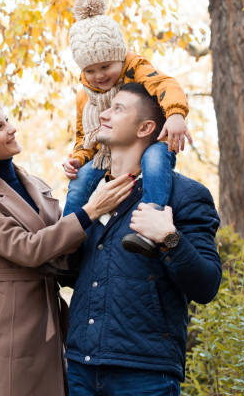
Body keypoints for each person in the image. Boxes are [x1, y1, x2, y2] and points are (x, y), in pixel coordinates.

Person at [0, 98, 134, 396]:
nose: (12, 129)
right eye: (0, 127)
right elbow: (28, 248)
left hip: (45, 310)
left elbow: (62, 241)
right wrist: (91, 211)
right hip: (5, 320)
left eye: (7, 120)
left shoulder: (32, 182)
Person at [64, 83, 222, 396]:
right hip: (81, 367)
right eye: (106, 107)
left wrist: (169, 238)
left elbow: (207, 286)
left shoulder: (185, 196)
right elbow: (68, 274)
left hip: (145, 374)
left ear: (145, 127)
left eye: (118, 108)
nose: (105, 114)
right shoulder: (89, 197)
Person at [63, 0, 193, 257]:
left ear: (120, 56)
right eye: (90, 70)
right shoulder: (85, 95)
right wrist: (78, 157)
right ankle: (66, 238)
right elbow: (83, 135)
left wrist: (175, 113)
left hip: (151, 140)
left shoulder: (136, 67)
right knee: (80, 180)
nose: (99, 76)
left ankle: (149, 224)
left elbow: (164, 84)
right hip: (104, 153)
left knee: (156, 161)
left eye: (106, 66)